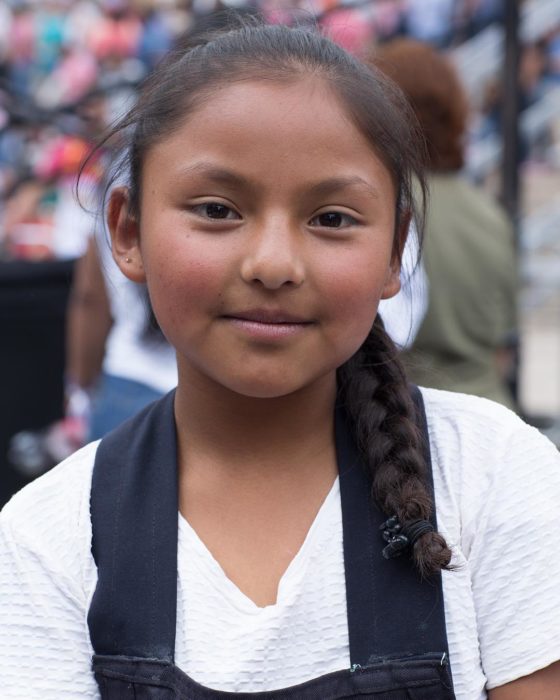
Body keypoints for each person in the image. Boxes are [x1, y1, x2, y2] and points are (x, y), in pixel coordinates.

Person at [1, 22, 559, 700]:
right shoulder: (47, 540)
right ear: (128, 230)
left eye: (330, 219)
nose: (273, 263)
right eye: (217, 209)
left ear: (395, 252)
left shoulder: (496, 475)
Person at [370, 39, 519, 409]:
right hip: (491, 412)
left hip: (406, 425)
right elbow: (503, 345)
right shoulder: (489, 212)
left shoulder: (383, 208)